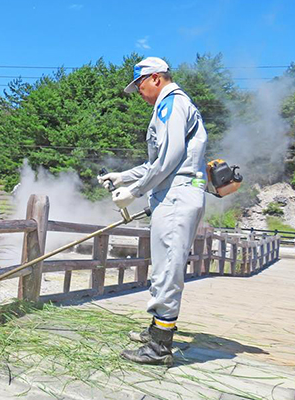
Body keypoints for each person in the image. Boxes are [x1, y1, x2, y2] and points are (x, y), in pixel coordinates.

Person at [98, 57, 207, 366]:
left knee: (168, 268)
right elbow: (156, 163)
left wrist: (134, 191)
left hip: (176, 196)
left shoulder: (170, 105)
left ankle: (160, 347)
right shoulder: (174, 106)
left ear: (156, 78)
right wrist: (123, 177)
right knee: (162, 266)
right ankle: (156, 330)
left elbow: (169, 158)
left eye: (140, 86)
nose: (140, 93)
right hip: (172, 194)